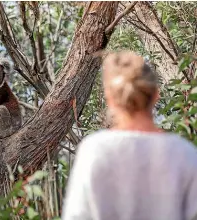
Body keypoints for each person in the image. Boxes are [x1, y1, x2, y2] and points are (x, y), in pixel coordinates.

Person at [61, 51, 197, 220]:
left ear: (110, 99)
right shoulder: (185, 153)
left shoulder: (94, 150)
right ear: (156, 94)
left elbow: (77, 216)